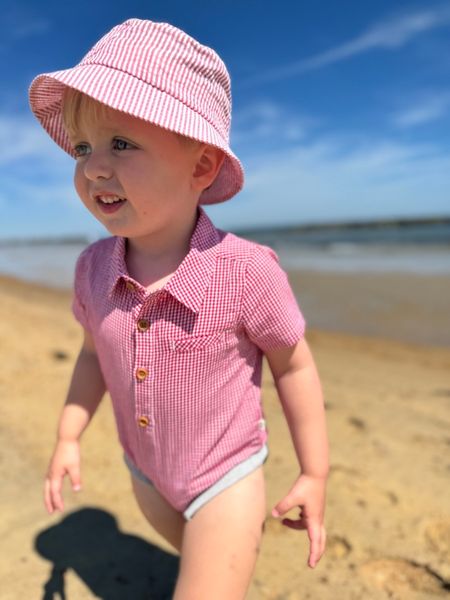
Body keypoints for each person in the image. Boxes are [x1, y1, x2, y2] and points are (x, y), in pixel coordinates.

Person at [29, 18, 329, 599]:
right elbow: (93, 356)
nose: (93, 166)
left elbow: (295, 366)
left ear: (200, 166)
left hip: (226, 476)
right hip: (146, 470)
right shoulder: (93, 269)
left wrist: (314, 472)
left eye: (121, 143)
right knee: (196, 559)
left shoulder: (245, 271)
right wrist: (69, 434)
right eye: (85, 147)